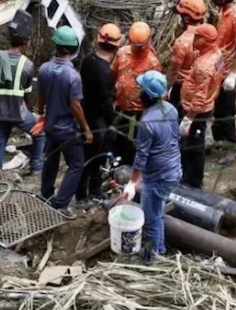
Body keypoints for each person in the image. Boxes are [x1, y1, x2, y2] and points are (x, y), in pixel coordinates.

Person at [121, 70, 180, 259]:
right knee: (157, 212)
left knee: (150, 220)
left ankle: (149, 259)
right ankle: (160, 250)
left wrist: (132, 183)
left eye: (141, 90)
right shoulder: (170, 109)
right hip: (174, 169)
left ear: (146, 95)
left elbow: (141, 156)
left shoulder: (147, 122)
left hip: (158, 177)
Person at [38, 26, 93, 216]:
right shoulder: (72, 76)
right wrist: (86, 129)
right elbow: (75, 106)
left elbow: (41, 95)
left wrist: (40, 111)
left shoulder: (44, 68)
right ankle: (61, 203)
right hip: (67, 129)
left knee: (50, 160)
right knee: (77, 164)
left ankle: (46, 194)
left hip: (50, 126)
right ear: (74, 48)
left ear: (56, 45)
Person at [0, 10, 45, 175]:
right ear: (26, 42)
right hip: (18, 112)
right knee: (40, 134)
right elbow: (26, 95)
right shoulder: (27, 64)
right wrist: (28, 111)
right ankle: (37, 168)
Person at [77, 23, 122, 201]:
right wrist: (112, 124)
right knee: (96, 158)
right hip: (98, 121)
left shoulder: (88, 59)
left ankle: (83, 191)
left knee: (86, 156)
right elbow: (106, 103)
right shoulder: (105, 72)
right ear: (116, 46)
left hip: (85, 114)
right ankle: (91, 192)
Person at [177, 24, 222, 189]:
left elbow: (199, 96)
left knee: (194, 147)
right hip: (206, 106)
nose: (194, 39)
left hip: (196, 111)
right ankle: (189, 176)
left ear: (206, 41)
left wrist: (189, 118)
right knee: (192, 144)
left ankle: (192, 181)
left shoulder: (205, 65)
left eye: (198, 37)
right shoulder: (216, 54)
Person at [111, 22, 162, 165]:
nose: (138, 48)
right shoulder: (122, 53)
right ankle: (114, 166)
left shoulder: (152, 63)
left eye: (141, 46)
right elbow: (113, 74)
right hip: (121, 107)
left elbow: (154, 93)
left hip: (140, 112)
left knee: (133, 144)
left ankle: (129, 171)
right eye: (135, 45)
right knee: (117, 139)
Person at [211, 0, 236, 164]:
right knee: (216, 109)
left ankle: (231, 148)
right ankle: (218, 140)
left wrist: (233, 74)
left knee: (226, 112)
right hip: (218, 68)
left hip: (227, 72)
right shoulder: (223, 11)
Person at [166, 0, 207, 118]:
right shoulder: (208, 35)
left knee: (175, 120)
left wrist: (166, 88)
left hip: (181, 88)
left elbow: (174, 71)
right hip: (200, 85)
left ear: (187, 19)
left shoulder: (182, 42)